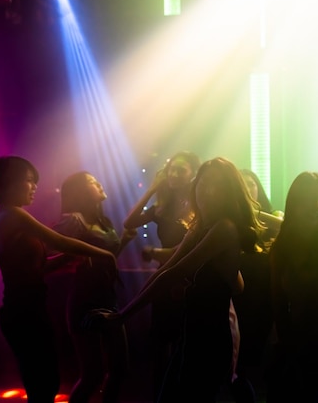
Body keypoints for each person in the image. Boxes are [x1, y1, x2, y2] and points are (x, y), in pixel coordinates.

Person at [90, 157, 264, 403]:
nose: (207, 191)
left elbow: (175, 272)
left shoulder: (223, 228)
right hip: (192, 332)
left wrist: (122, 316)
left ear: (227, 193)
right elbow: (166, 271)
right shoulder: (201, 227)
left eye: (216, 186)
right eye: (203, 184)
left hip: (211, 338)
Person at [0, 156, 117, 403]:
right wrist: (102, 253)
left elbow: (39, 268)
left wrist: (68, 258)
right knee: (43, 384)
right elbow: (58, 240)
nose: (34, 187)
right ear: (6, 183)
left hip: (27, 309)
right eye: (29, 181)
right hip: (22, 311)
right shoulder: (13, 215)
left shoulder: (10, 217)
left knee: (44, 382)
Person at [266, 171, 318, 403]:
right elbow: (278, 308)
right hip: (291, 353)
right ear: (294, 203)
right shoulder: (281, 249)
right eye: (309, 199)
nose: (317, 206)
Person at [123, 150, 201, 401]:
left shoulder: (199, 206)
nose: (175, 174)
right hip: (166, 277)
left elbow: (191, 247)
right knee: (161, 341)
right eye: (171, 170)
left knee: (187, 342)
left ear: (193, 175)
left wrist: (157, 252)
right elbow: (129, 222)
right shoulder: (162, 206)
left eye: (182, 169)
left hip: (191, 277)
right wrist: (151, 189)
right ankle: (162, 394)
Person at [52, 171, 136, 403]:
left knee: (119, 370)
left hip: (109, 300)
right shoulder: (75, 219)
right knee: (92, 375)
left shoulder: (104, 221)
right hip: (84, 301)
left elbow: (108, 259)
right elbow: (49, 248)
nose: (99, 183)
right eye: (91, 181)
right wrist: (74, 254)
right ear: (79, 191)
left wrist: (125, 240)